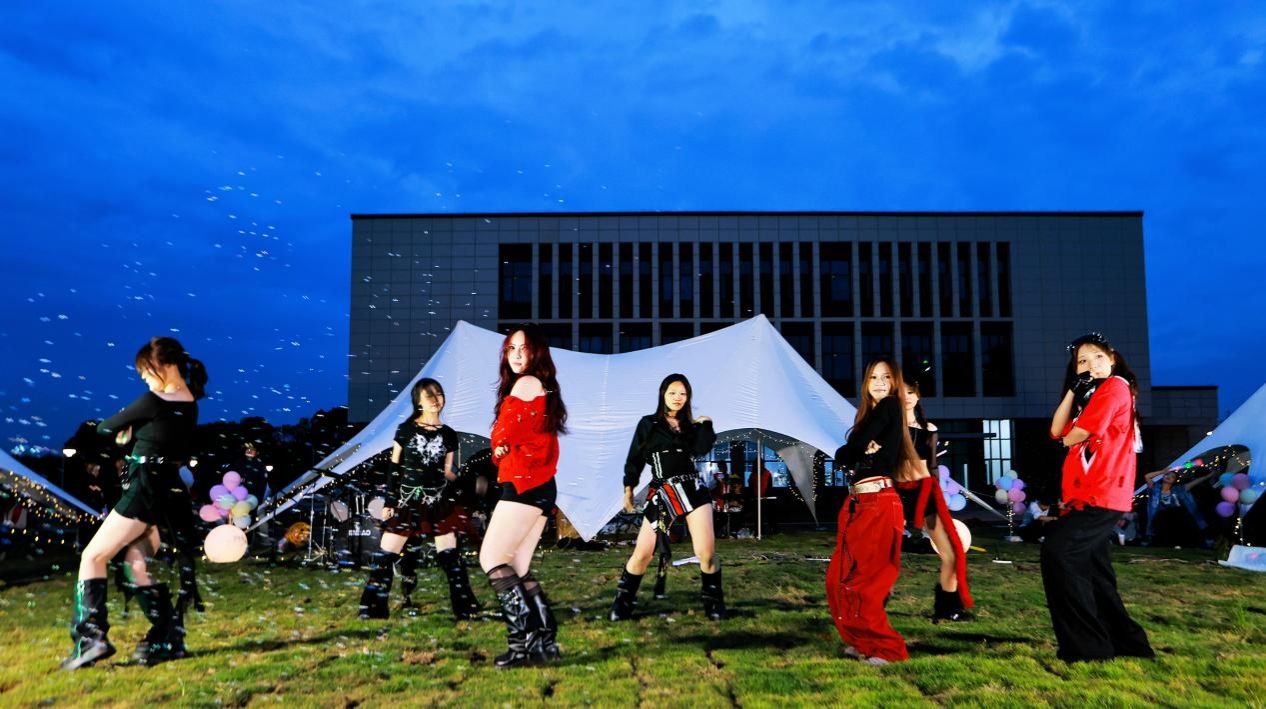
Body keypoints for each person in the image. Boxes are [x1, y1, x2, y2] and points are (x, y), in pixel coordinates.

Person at [62, 337, 207, 670]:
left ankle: (91, 638)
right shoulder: (190, 403)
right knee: (135, 563)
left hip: (144, 490)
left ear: (163, 365)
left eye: (144, 371)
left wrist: (126, 432)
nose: (143, 378)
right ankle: (167, 637)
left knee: (92, 556)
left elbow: (104, 428)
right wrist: (135, 432)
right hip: (168, 493)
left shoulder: (152, 401)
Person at [1043, 333, 1154, 662]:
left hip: (1101, 493)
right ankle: (1129, 644)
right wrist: (1072, 391)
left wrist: (1063, 441)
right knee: (1094, 572)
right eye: (1082, 361)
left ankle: (1088, 649)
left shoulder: (1115, 387)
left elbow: (1074, 435)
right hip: (1088, 495)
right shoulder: (1090, 397)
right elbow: (1056, 429)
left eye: (1097, 357)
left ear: (1112, 359)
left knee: (1059, 553)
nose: (1091, 365)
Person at [479, 325, 567, 667]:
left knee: (491, 558)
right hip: (539, 484)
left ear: (537, 352)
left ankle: (522, 644)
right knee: (517, 566)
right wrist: (503, 445)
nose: (516, 355)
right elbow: (515, 436)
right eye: (511, 348)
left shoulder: (526, 383)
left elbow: (504, 432)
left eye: (524, 348)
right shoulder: (542, 385)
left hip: (525, 483)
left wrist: (500, 443)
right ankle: (544, 642)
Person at [358, 378, 480, 621]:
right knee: (386, 555)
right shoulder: (405, 430)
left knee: (450, 557)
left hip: (439, 502)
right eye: (429, 395)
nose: (436, 399)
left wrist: (470, 484)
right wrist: (390, 501)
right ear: (419, 402)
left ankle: (465, 609)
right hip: (408, 501)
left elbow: (447, 471)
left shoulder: (449, 434)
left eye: (439, 393)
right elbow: (394, 468)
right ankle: (372, 609)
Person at [828, 357, 920, 665]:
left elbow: (848, 451)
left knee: (866, 582)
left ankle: (888, 650)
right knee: (839, 579)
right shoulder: (870, 416)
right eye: (873, 377)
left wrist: (856, 447)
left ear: (895, 383)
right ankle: (861, 641)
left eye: (886, 377)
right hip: (859, 503)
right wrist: (855, 447)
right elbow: (846, 453)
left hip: (879, 503)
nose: (879, 383)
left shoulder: (890, 407)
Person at [608, 374, 722, 622]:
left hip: (692, 489)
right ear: (663, 394)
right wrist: (628, 488)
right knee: (643, 554)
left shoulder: (693, 427)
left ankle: (714, 603)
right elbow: (634, 459)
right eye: (672, 393)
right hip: (663, 492)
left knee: (706, 552)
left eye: (683, 393)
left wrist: (707, 425)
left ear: (688, 397)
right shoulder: (648, 424)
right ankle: (622, 603)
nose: (677, 398)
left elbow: (702, 449)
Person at [895, 380, 973, 622]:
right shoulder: (889, 427)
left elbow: (933, 464)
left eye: (911, 392)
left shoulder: (928, 428)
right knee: (883, 555)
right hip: (895, 492)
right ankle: (872, 604)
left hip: (925, 491)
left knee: (952, 552)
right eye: (902, 393)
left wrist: (937, 492)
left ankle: (949, 608)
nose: (907, 397)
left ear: (918, 395)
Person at [1142, 468, 1211, 546]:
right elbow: (1147, 476)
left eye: (1172, 477)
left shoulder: (1178, 489)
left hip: (1174, 521)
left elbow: (1196, 482)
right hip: (1158, 522)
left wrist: (1209, 475)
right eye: (1167, 475)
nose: (1169, 477)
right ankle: (1150, 537)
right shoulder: (1155, 487)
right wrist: (1162, 472)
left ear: (1174, 481)